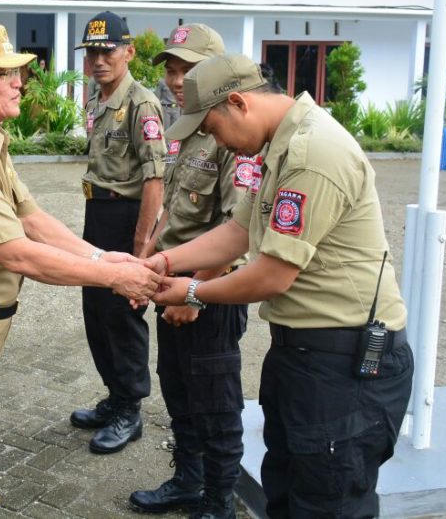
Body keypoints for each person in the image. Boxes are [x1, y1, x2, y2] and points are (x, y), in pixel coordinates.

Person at [0, 24, 162, 519]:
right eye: (3, 74)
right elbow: (16, 253)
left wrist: (102, 258)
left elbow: (32, 219)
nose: (19, 82)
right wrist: (113, 278)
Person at [147, 52, 414, 518]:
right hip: (303, 355)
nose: (216, 142)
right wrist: (162, 262)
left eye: (212, 128)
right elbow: (237, 232)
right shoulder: (280, 148)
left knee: (327, 503)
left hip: (343, 365)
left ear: (238, 103)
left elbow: (273, 274)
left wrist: (191, 292)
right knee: (288, 495)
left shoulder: (313, 152)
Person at [129, 24, 252, 519]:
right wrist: (145, 265)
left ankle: (219, 503)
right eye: (173, 71)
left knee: (215, 402)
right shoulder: (186, 130)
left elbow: (237, 229)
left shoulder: (233, 136)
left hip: (211, 293)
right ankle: (188, 481)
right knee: (178, 388)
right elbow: (175, 210)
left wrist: (195, 293)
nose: (178, 81)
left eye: (189, 70)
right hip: (172, 285)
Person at [71, 11, 167, 455]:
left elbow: (154, 179)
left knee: (122, 317)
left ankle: (130, 408)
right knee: (95, 311)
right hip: (98, 213)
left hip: (128, 217)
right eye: (91, 53)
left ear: (128, 52)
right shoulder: (98, 99)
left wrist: (142, 246)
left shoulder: (142, 104)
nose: (98, 60)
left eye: (107, 51)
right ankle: (114, 395)